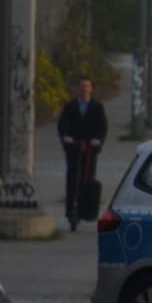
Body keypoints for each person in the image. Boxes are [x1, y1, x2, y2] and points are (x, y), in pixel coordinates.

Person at [57, 77, 107, 232]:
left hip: (90, 151)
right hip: (74, 148)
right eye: (82, 86)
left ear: (91, 89)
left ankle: (85, 210)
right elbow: (62, 125)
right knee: (72, 178)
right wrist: (66, 137)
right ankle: (71, 211)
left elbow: (102, 127)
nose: (84, 89)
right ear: (78, 89)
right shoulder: (70, 106)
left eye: (87, 86)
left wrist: (97, 140)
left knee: (87, 179)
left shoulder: (97, 107)